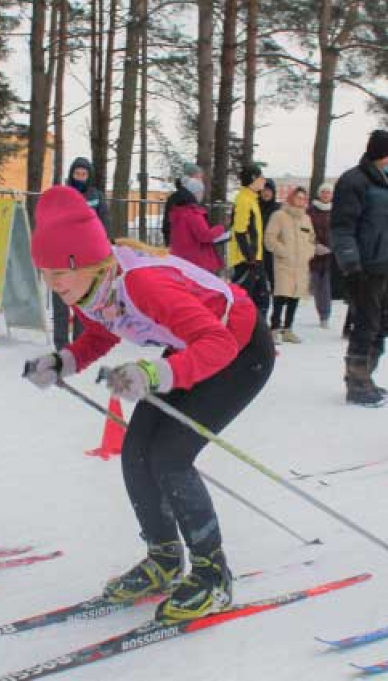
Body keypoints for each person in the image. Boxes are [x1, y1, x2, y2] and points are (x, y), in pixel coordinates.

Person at [23, 186, 273, 622]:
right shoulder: (87, 290)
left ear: (92, 261)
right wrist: (63, 362)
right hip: (189, 351)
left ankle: (214, 576)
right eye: (45, 272)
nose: (55, 282)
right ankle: (164, 558)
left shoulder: (142, 282)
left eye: (63, 270)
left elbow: (217, 342)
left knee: (170, 456)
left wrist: (157, 374)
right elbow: (102, 334)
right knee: (136, 451)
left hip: (240, 348)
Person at [330, 129, 388, 407]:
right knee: (366, 325)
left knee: (383, 325)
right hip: (364, 268)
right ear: (383, 154)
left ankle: (367, 376)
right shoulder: (354, 182)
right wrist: (351, 264)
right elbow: (342, 226)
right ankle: (356, 383)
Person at [53, 157, 109, 348]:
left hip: (86, 256)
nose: (80, 177)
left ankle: (80, 341)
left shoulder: (97, 196)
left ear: (89, 176)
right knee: (61, 298)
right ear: (71, 174)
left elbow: (104, 223)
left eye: (83, 174)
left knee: (83, 300)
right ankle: (61, 343)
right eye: (77, 174)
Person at [264, 187, 315, 342]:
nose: (301, 201)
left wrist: (309, 252)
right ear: (291, 198)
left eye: (303, 198)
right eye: (298, 197)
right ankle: (274, 328)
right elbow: (270, 239)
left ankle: (288, 329)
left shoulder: (306, 218)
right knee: (281, 295)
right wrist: (283, 252)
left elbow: (311, 238)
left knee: (295, 296)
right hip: (284, 263)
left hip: (301, 264)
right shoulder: (279, 216)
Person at [229, 164, 270, 315]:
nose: (263, 180)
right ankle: (242, 336)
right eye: (261, 176)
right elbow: (240, 231)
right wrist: (250, 258)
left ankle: (257, 336)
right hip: (246, 261)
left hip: (254, 259)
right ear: (253, 178)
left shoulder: (251, 199)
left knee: (261, 299)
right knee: (245, 302)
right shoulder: (244, 200)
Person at [168, 178, 224, 273]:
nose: (202, 195)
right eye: (201, 192)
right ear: (195, 193)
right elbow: (204, 235)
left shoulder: (178, 212)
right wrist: (220, 228)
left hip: (182, 259)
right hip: (196, 261)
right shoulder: (193, 213)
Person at [307, 182, 334, 328]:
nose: (326, 195)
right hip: (314, 253)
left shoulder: (336, 211)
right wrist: (315, 244)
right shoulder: (311, 210)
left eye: (328, 192)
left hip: (331, 255)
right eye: (323, 192)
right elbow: (305, 230)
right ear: (319, 193)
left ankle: (325, 315)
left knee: (326, 286)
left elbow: (339, 230)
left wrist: (333, 246)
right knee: (317, 285)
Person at [161, 163, 206, 246]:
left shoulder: (182, 195)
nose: (201, 180)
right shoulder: (185, 198)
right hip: (179, 240)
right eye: (199, 177)